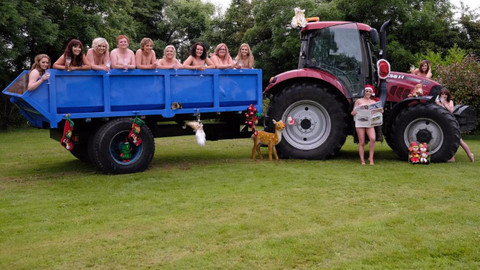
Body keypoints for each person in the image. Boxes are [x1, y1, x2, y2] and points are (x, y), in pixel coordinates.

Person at [436, 88, 474, 162]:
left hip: (451, 123)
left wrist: (444, 104)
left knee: (460, 140)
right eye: (442, 94)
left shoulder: (450, 102)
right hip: (443, 123)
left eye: (445, 94)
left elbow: (451, 111)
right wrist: (441, 103)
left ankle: (470, 154)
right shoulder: (438, 102)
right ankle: (451, 158)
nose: (444, 96)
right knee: (449, 140)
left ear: (447, 95)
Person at [351, 85, 382, 165]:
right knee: (362, 142)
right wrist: (354, 112)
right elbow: (353, 112)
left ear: (372, 93)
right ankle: (362, 161)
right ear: (364, 92)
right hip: (360, 122)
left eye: (369, 92)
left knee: (373, 138)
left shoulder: (373, 102)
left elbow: (378, 113)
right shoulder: (358, 101)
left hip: (369, 123)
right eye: (367, 91)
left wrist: (380, 110)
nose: (368, 93)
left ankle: (371, 158)